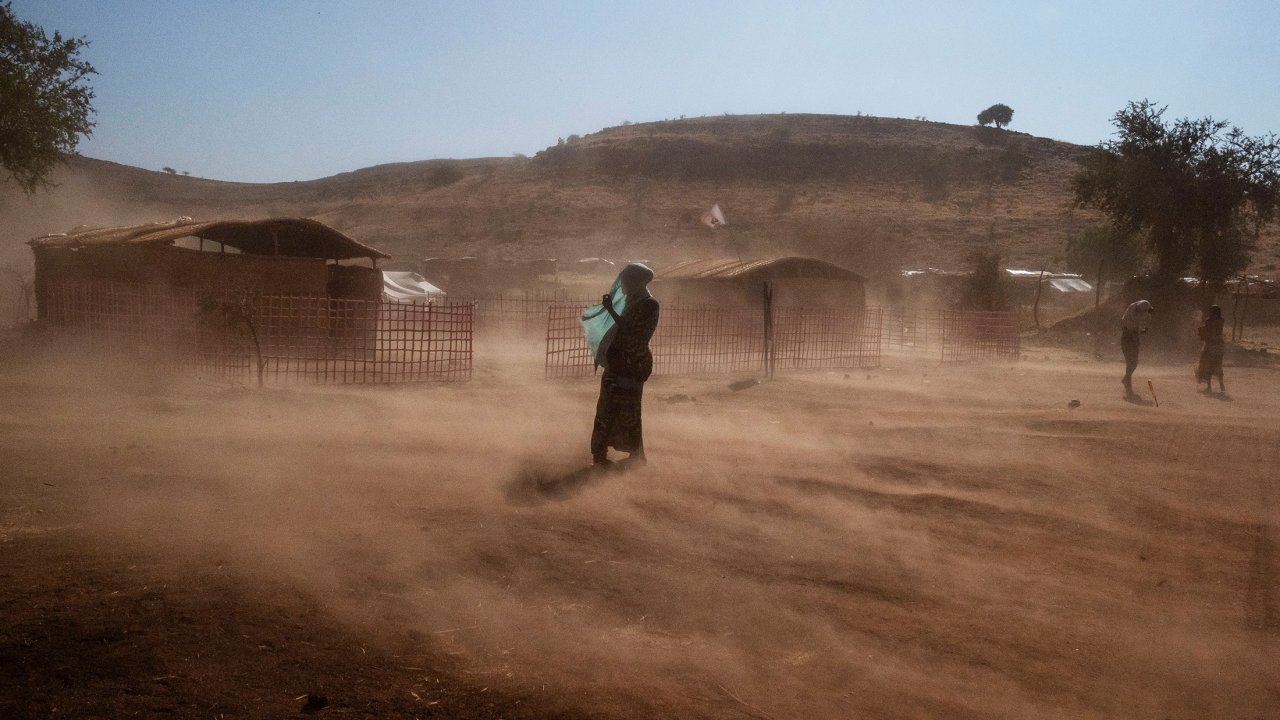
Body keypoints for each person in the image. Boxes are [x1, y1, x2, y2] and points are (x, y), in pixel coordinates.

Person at [585, 263, 660, 468]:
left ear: (637, 282)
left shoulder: (649, 305)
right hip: (618, 363)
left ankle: (635, 456)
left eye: (627, 281)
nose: (623, 285)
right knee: (606, 408)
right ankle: (599, 455)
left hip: (632, 364)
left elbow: (632, 332)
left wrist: (610, 311)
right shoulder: (629, 303)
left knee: (629, 411)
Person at [1120, 299, 1154, 396]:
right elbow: (1143, 318)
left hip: (1132, 336)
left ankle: (1127, 379)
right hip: (1128, 336)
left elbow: (1149, 315)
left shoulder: (1137, 306)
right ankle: (1127, 380)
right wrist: (1144, 328)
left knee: (1133, 362)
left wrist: (1146, 327)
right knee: (1131, 362)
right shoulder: (1133, 315)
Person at [1195, 305, 1226, 394]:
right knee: (1218, 365)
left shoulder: (1209, 321)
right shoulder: (1222, 320)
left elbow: (1208, 331)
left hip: (1210, 345)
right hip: (1219, 345)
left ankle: (1209, 387)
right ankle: (1222, 385)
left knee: (1206, 364)